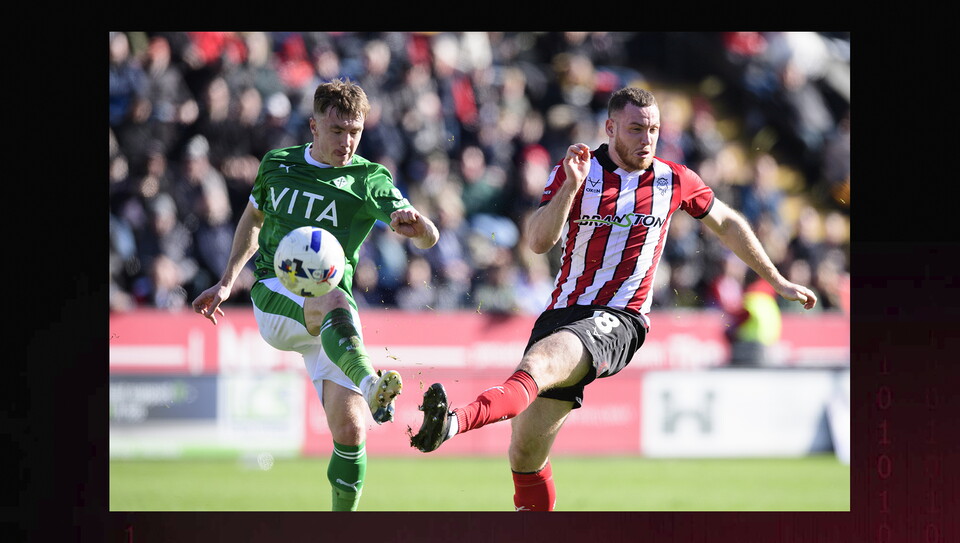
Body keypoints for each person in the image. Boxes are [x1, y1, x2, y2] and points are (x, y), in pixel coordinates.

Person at [409, 87, 816, 511]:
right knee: (526, 454)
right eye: (636, 129)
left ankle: (451, 424)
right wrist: (570, 188)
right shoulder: (577, 171)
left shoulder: (673, 179)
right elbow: (538, 242)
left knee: (538, 365)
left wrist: (776, 279)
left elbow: (727, 222)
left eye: (653, 129)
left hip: (621, 317)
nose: (647, 139)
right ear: (610, 127)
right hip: (562, 313)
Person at [192, 78, 440, 511]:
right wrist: (228, 280)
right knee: (336, 302)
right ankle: (371, 383)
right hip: (276, 293)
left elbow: (425, 236)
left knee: (351, 432)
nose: (347, 142)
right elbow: (253, 219)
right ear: (314, 126)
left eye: (355, 132)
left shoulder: (369, 178)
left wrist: (421, 229)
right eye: (337, 130)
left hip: (331, 322)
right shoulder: (277, 164)